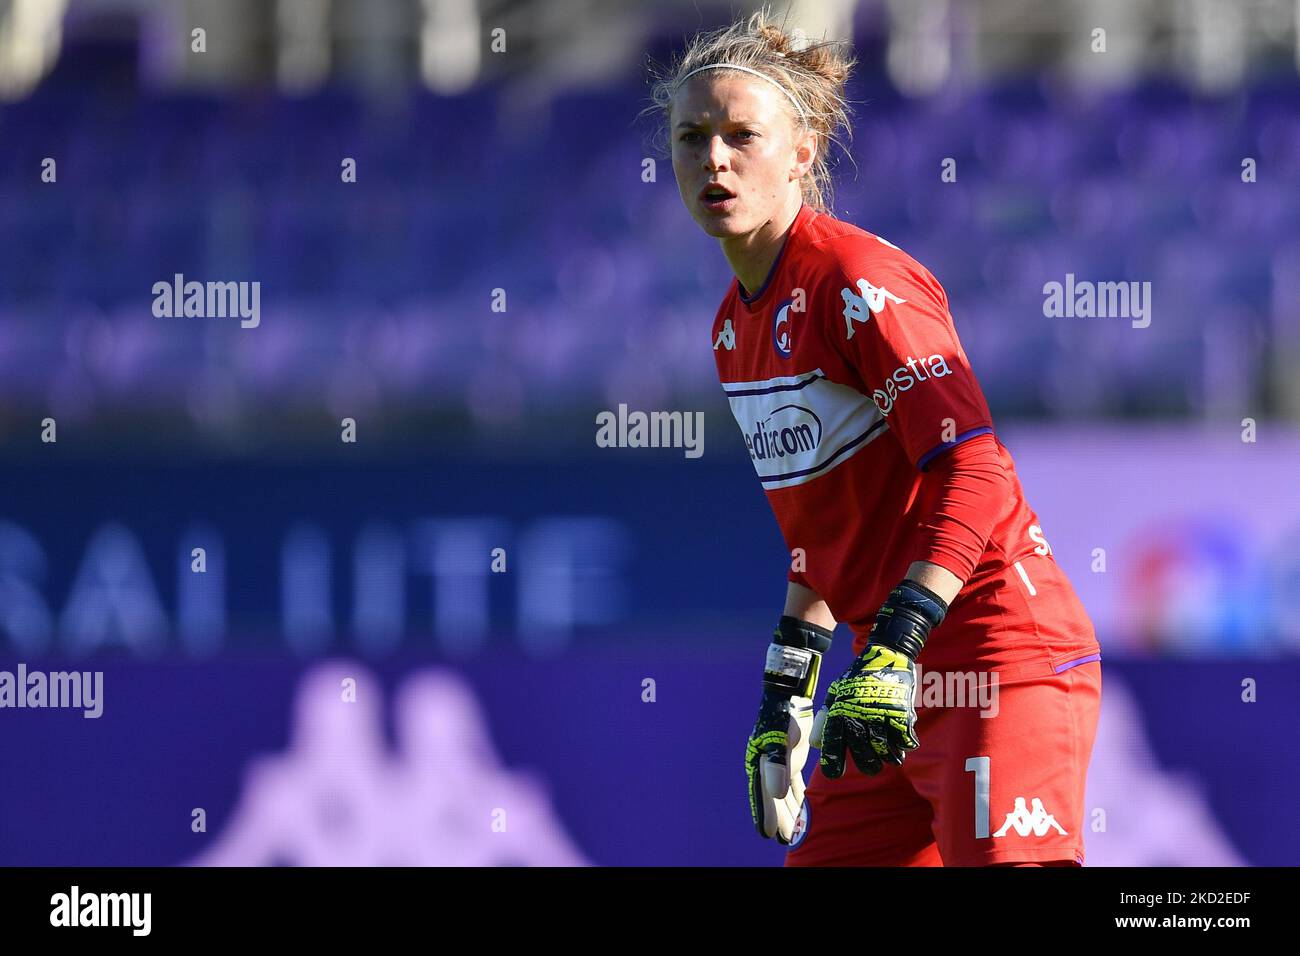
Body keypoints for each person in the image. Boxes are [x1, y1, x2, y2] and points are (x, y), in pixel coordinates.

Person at [646, 9, 1102, 866]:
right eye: (691, 137)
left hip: (993, 658)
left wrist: (897, 643)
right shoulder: (728, 331)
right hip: (880, 686)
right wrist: (786, 696)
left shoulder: (858, 282)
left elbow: (978, 468)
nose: (714, 158)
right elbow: (822, 544)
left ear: (803, 152)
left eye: (743, 134)